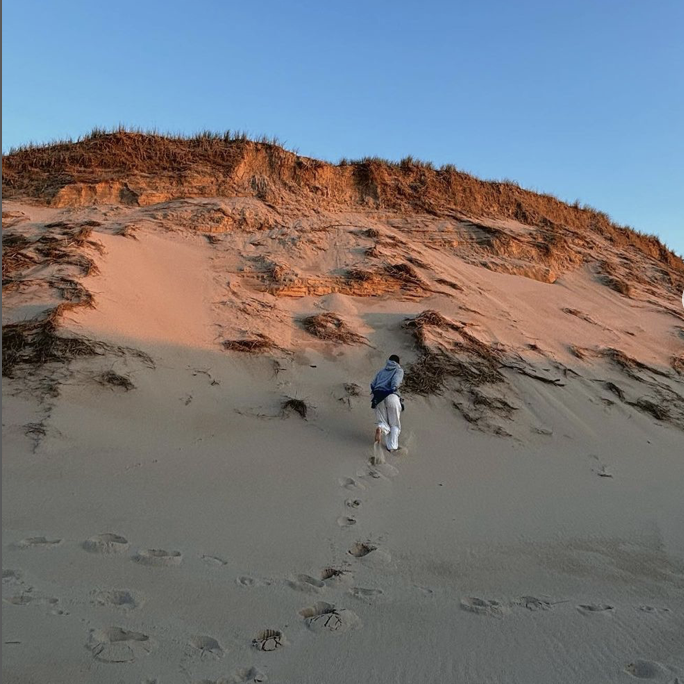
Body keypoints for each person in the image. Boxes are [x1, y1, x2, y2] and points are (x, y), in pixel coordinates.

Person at [370, 355, 404, 452]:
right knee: (395, 424)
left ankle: (381, 428)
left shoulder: (381, 371)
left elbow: (372, 384)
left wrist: (377, 393)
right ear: (398, 362)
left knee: (383, 422)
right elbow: (395, 383)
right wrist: (393, 388)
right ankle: (392, 447)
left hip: (377, 398)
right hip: (391, 396)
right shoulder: (398, 370)